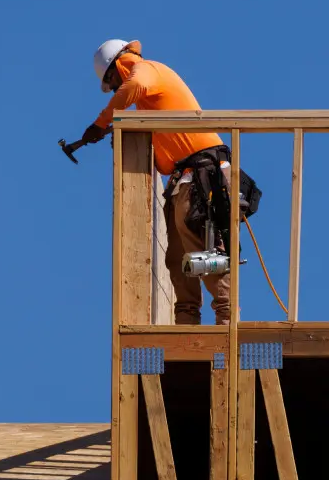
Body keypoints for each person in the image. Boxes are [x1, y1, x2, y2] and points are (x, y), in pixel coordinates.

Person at [69, 39, 233, 325]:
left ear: (120, 65)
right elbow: (162, 158)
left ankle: (227, 323)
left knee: (203, 250)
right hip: (184, 178)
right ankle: (187, 326)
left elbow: (132, 88)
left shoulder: (148, 71)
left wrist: (100, 123)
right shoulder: (147, 107)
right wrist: (120, 133)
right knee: (178, 259)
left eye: (113, 80)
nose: (117, 85)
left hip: (203, 172)